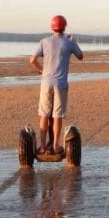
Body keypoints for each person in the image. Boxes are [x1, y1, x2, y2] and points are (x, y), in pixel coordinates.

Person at [30, 15, 84, 155]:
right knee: (57, 116)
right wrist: (73, 41)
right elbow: (80, 56)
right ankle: (54, 146)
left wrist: (40, 70)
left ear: (51, 27)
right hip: (60, 83)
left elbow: (32, 60)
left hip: (46, 83)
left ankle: (42, 147)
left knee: (44, 114)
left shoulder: (44, 41)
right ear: (64, 27)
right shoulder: (69, 42)